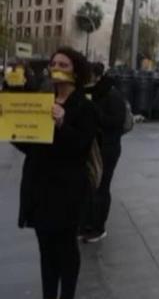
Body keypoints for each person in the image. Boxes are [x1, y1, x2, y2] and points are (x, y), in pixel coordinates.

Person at [13, 47, 97, 299]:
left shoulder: (84, 106)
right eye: (54, 63)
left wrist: (62, 124)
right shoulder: (43, 100)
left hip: (67, 190)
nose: (57, 68)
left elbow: (81, 148)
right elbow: (30, 146)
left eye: (64, 64)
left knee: (66, 248)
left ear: (76, 71)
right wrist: (13, 130)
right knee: (45, 249)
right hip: (39, 186)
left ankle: (67, 294)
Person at [81, 63, 127, 243]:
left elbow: (117, 121)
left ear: (96, 75)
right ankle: (86, 224)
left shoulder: (112, 94)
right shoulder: (93, 92)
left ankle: (98, 228)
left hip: (108, 148)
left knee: (101, 187)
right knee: (90, 186)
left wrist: (95, 116)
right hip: (94, 147)